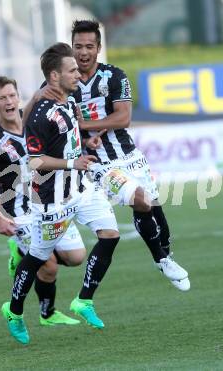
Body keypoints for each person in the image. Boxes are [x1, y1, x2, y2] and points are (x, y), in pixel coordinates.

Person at [2, 42, 123, 345]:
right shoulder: (41, 115)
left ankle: (84, 300)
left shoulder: (69, 99)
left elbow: (70, 133)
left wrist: (85, 144)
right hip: (52, 199)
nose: (78, 74)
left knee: (110, 234)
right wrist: (73, 161)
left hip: (81, 189)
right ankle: (14, 311)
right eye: (71, 70)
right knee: (38, 258)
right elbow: (35, 161)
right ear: (54, 77)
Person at [70, 19, 190, 291]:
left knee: (161, 224)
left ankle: (165, 256)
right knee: (140, 200)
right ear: (72, 48)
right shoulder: (64, 81)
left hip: (128, 155)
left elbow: (123, 117)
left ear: (98, 48)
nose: (84, 52)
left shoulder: (114, 76)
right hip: (96, 162)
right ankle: (160, 258)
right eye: (78, 46)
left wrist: (87, 125)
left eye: (89, 46)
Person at [0, 76, 85, 327]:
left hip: (49, 199)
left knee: (76, 257)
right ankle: (48, 313)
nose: (9, 101)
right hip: (19, 209)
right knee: (48, 266)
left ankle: (21, 254)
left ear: (18, 96)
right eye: (2, 98)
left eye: (12, 95)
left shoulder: (36, 119)